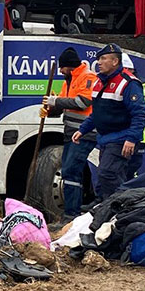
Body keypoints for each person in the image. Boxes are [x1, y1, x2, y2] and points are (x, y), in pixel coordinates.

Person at [72, 43, 145, 200]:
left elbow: (140, 114)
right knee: (107, 178)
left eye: (103, 58)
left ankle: (121, 207)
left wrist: (131, 139)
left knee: (107, 174)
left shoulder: (129, 83)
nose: (99, 62)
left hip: (121, 138)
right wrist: (83, 129)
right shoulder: (99, 82)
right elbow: (97, 112)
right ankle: (110, 209)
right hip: (105, 139)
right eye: (99, 59)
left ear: (115, 62)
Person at [42, 47, 96, 223]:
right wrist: (50, 110)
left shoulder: (87, 77)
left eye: (62, 67)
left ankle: (71, 214)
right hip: (71, 133)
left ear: (70, 66)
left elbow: (83, 102)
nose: (60, 71)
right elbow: (65, 106)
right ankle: (71, 213)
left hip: (84, 133)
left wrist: (55, 101)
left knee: (71, 172)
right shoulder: (68, 80)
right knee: (68, 172)